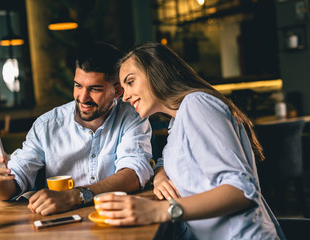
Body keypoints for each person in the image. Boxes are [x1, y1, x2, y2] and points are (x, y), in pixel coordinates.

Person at [95, 42, 285, 239]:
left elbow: (242, 190)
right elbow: (169, 160)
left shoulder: (196, 104)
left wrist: (156, 211)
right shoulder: (177, 122)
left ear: (156, 73)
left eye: (130, 82)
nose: (124, 97)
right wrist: (160, 177)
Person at [0, 42, 153, 216]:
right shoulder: (46, 126)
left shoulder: (133, 117)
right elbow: (12, 186)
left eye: (94, 89)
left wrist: (75, 196)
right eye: (78, 85)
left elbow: (134, 173)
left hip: (117, 220)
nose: (83, 97)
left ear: (117, 91)